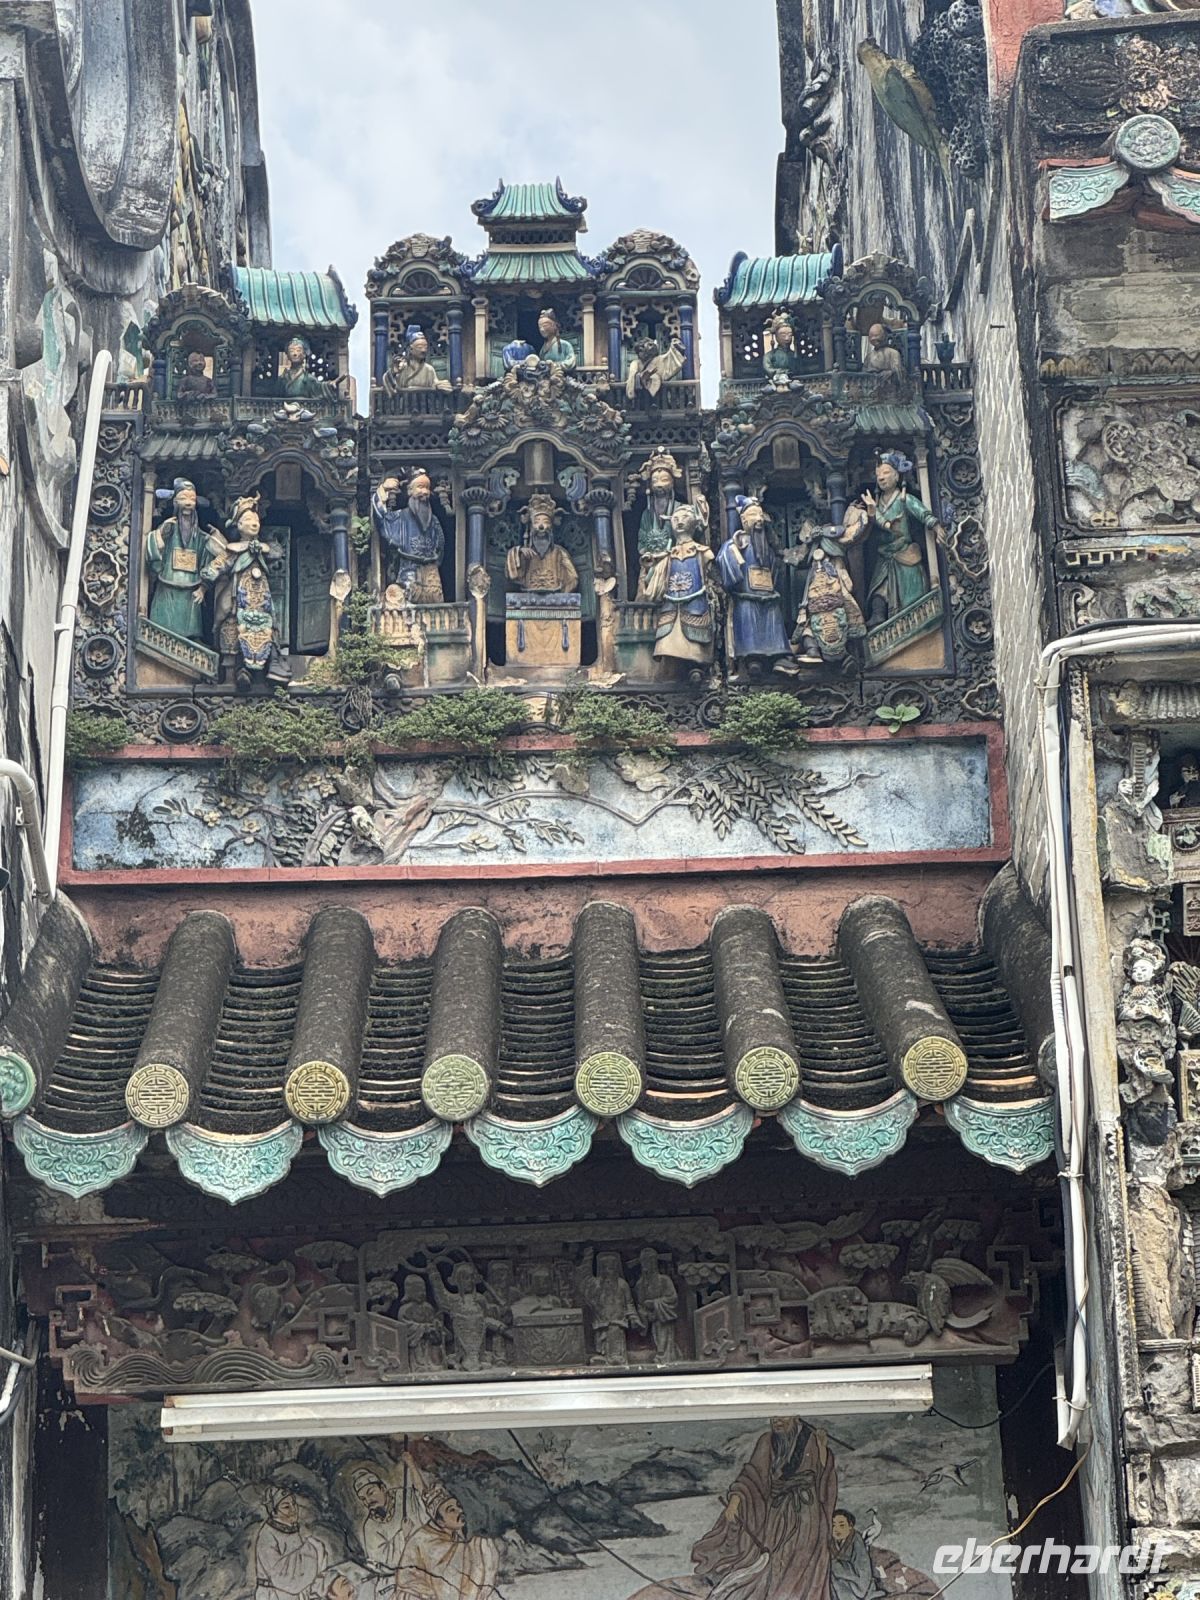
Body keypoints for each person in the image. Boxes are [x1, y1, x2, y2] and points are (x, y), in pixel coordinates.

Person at [691, 1417, 838, 1600]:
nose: (778, 1421)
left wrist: (822, 1448)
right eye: (774, 1418)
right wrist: (735, 1501)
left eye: (783, 1417)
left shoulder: (810, 1439)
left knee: (804, 1558)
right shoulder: (767, 1441)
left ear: (795, 1418)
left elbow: (823, 1475)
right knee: (774, 1559)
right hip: (776, 1513)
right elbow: (752, 1474)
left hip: (808, 1511)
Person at [203, 494, 287, 688]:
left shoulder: (263, 549)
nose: (254, 523)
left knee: (268, 630)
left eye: (256, 520)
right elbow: (218, 565)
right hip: (239, 597)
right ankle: (232, 674)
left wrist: (263, 547)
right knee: (231, 628)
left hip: (261, 599)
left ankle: (267, 669)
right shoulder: (234, 549)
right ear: (239, 525)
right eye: (248, 520)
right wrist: (206, 580)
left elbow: (277, 552)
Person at [859, 452, 943, 626]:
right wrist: (872, 511)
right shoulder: (877, 503)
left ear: (897, 476)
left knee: (910, 596)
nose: (881, 478)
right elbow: (874, 522)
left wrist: (936, 526)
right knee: (879, 591)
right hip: (885, 555)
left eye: (886, 473)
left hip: (904, 553)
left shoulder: (904, 500)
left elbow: (922, 512)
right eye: (878, 475)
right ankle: (878, 616)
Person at [716, 497, 791, 675]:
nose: (758, 519)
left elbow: (775, 566)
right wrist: (732, 556)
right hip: (747, 594)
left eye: (760, 515)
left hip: (768, 594)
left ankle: (778, 655)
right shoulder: (737, 543)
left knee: (773, 619)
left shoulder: (765, 545)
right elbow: (723, 557)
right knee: (748, 619)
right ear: (743, 520)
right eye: (753, 515)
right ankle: (752, 658)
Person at [144, 478, 224, 641]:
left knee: (191, 636)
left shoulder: (201, 538)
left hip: (191, 592)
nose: (188, 503)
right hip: (166, 588)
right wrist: (161, 533)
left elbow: (221, 557)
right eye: (183, 498)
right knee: (161, 633)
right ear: (175, 502)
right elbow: (152, 552)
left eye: (192, 499)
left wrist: (203, 588)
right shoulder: (168, 530)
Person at [641, 504, 714, 677]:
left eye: (685, 518)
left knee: (695, 642)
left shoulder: (702, 552)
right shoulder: (668, 555)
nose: (680, 522)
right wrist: (650, 566)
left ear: (695, 523)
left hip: (695, 604)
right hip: (671, 605)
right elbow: (655, 578)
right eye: (675, 519)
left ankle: (695, 665)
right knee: (669, 640)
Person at [395, 1484, 500, 1600]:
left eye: (458, 1506)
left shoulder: (453, 1535)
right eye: (451, 1510)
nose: (460, 1511)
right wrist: (480, 1545)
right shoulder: (426, 1539)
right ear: (440, 1522)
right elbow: (448, 1571)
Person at [372, 472, 445, 601]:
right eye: (420, 487)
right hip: (408, 573)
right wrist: (383, 490)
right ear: (410, 490)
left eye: (427, 488)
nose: (425, 492)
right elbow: (381, 520)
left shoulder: (434, 521)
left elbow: (440, 547)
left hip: (431, 575)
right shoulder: (399, 517)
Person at [253, 1486, 329, 1600]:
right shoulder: (267, 1535)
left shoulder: (291, 1529)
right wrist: (311, 1550)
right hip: (273, 1595)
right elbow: (279, 1574)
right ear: (274, 1512)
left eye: (294, 1504)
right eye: (286, 1507)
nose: (293, 1509)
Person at [576, 1248, 644, 1365]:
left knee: (616, 1353)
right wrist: (588, 1258)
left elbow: (629, 1304)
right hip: (601, 1324)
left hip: (618, 1323)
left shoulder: (622, 1284)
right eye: (606, 1268)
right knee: (602, 1349)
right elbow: (585, 1285)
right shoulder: (596, 1284)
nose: (609, 1271)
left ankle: (616, 1362)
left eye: (612, 1268)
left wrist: (634, 1318)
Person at [505, 494, 578, 594]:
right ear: (531, 526)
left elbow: (572, 578)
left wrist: (563, 594)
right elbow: (513, 576)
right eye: (536, 522)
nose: (541, 526)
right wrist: (519, 552)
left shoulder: (559, 552)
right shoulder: (524, 553)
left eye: (545, 522)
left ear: (551, 526)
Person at [635, 451, 684, 583]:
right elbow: (642, 540)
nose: (659, 484)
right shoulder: (647, 514)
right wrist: (647, 553)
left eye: (664, 480)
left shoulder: (680, 509)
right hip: (651, 562)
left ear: (672, 483)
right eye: (655, 481)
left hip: (675, 559)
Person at [635, 1247, 680, 1362]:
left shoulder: (664, 1280)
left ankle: (665, 1357)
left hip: (663, 1315)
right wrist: (644, 1314)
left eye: (649, 1261)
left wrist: (655, 1303)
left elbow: (673, 1298)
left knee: (664, 1337)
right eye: (644, 1261)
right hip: (651, 1318)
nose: (646, 1264)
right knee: (655, 1337)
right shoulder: (640, 1284)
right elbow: (640, 1304)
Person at [395, 1274, 447, 1372]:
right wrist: (424, 1328)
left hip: (429, 1340)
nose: (421, 1293)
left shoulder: (428, 1307)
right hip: (416, 1342)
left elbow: (432, 1320)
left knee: (434, 1345)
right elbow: (406, 1327)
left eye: (423, 1290)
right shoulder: (405, 1309)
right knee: (418, 1350)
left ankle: (433, 1363)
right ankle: (417, 1366)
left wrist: (436, 1324)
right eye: (418, 1290)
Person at [830, 1509, 880, 1600]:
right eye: (834, 1525)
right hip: (839, 1581)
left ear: (850, 1526)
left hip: (856, 1584)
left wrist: (837, 1568)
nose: (837, 1529)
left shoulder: (857, 1541)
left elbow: (863, 1572)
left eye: (841, 1525)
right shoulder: (830, 1541)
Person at [385, 326, 451, 394]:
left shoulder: (429, 369)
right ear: (411, 349)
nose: (423, 350)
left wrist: (439, 385)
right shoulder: (403, 367)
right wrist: (393, 372)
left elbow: (435, 383)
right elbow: (392, 387)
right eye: (420, 347)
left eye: (425, 347)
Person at [626, 335, 686, 403]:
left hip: (660, 397)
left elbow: (670, 359)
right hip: (641, 399)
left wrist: (676, 347)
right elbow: (632, 377)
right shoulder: (635, 363)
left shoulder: (658, 360)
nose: (641, 354)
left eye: (642, 351)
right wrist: (641, 377)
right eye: (639, 351)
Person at [276, 335, 334, 400]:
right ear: (287, 355)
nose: (295, 354)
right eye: (291, 351)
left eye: (298, 350)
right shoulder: (282, 379)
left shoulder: (309, 379)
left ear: (304, 354)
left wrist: (329, 385)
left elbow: (319, 388)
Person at [763, 314, 804, 384]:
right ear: (776, 337)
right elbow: (768, 369)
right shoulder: (769, 356)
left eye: (790, 335)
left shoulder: (794, 355)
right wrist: (781, 372)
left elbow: (800, 369)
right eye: (783, 335)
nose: (787, 338)